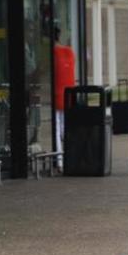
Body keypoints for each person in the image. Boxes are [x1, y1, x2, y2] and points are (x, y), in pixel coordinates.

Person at [53, 27, 76, 170]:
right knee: (64, 127)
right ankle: (70, 157)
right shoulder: (69, 52)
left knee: (55, 128)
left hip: (55, 94)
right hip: (69, 95)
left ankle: (59, 160)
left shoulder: (52, 53)